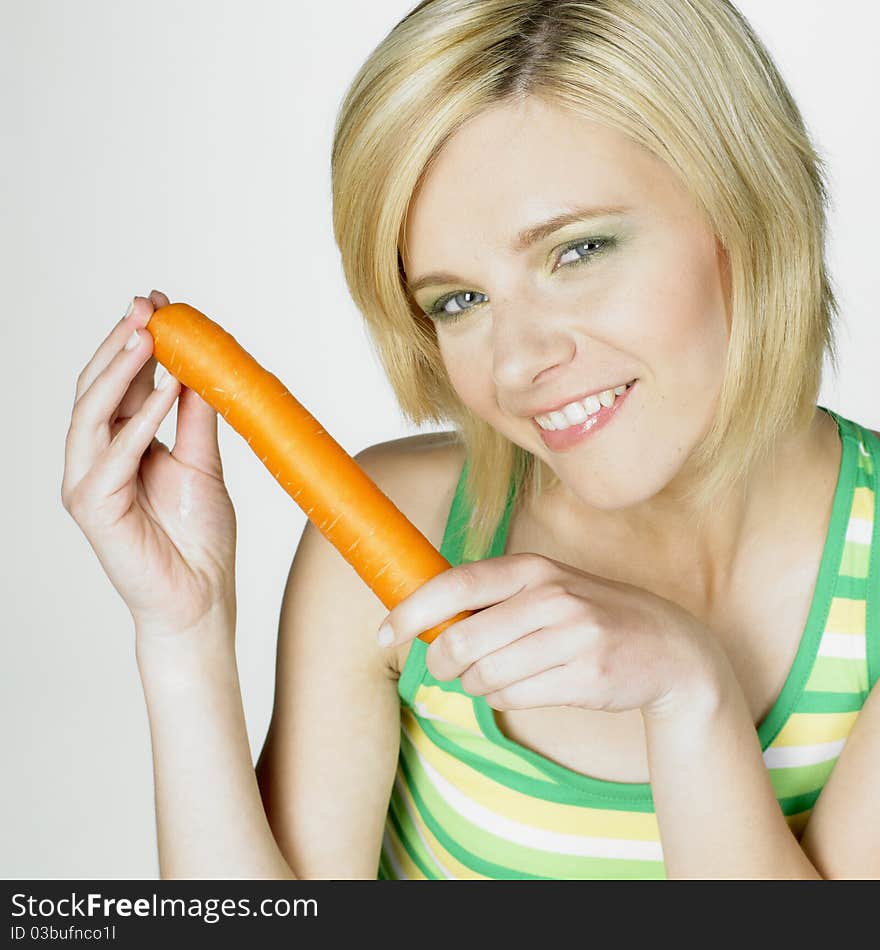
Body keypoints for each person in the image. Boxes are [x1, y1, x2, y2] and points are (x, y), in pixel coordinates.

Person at [61, 0, 880, 880]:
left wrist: (691, 696)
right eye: (459, 301)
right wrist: (182, 635)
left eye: (578, 250)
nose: (519, 362)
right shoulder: (391, 534)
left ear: (742, 205)